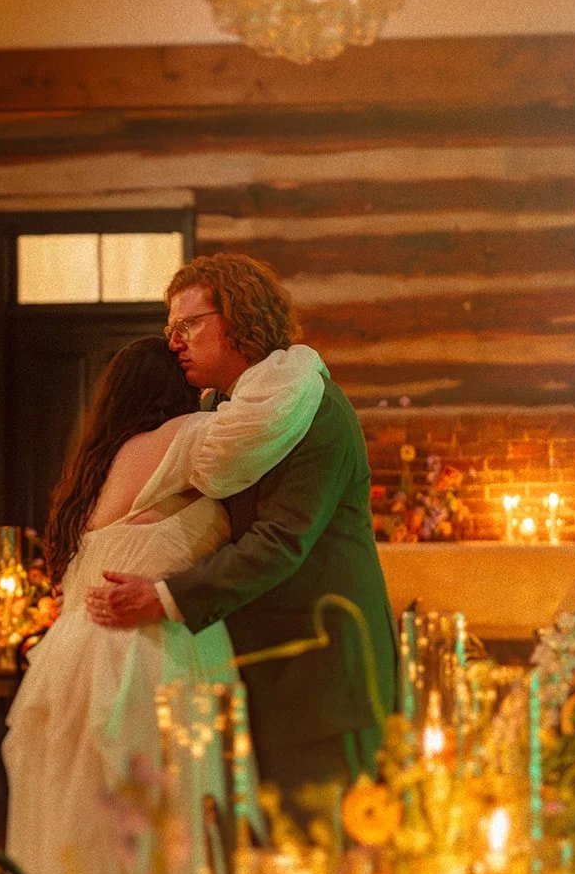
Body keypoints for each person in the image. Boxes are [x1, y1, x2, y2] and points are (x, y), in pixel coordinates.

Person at [3, 332, 326, 874]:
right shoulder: (178, 439)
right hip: (143, 654)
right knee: (154, 827)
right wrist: (301, 358)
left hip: (79, 654)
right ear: (173, 394)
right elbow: (264, 420)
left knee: (87, 829)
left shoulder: (105, 460)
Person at [86, 252, 398, 812]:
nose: (174, 340)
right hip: (259, 665)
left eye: (187, 324)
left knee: (330, 851)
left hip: (320, 669)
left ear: (239, 317)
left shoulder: (312, 408)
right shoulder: (231, 417)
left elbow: (280, 540)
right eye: (169, 329)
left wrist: (161, 596)